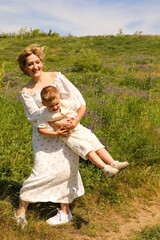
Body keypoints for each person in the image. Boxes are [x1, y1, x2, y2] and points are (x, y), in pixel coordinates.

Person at [15, 44, 87, 227]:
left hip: (68, 132)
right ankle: (21, 210)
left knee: (66, 169)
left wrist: (74, 122)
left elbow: (78, 100)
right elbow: (34, 117)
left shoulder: (56, 77)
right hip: (44, 136)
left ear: (42, 62)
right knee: (41, 170)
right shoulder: (26, 91)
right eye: (29, 64)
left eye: (37, 62)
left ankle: (65, 212)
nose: (35, 67)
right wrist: (58, 124)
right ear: (24, 67)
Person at [37, 85, 129, 178]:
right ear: (44, 104)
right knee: (87, 150)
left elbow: (81, 106)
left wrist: (75, 120)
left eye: (57, 103)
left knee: (96, 144)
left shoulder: (65, 104)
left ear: (59, 98)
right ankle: (106, 168)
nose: (55, 107)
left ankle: (113, 163)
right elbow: (40, 129)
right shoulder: (45, 115)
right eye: (51, 106)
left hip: (80, 129)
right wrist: (56, 133)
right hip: (69, 136)